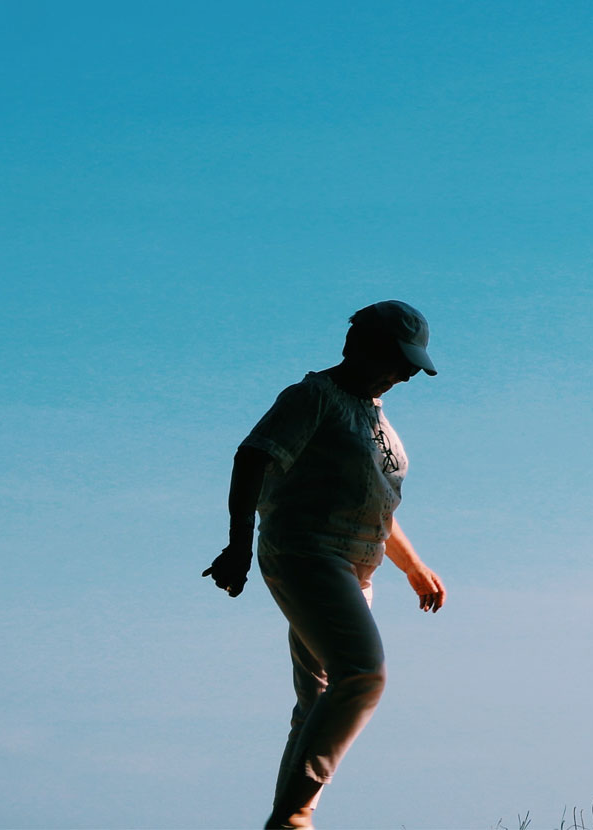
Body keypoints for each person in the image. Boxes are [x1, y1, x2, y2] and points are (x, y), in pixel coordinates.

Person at [203, 300, 448, 830]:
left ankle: (292, 817)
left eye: (412, 365)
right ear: (359, 348)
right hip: (306, 553)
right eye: (400, 360)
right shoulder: (312, 397)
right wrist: (238, 545)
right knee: (363, 672)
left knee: (316, 699)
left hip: (357, 568)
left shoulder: (376, 413)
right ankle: (293, 813)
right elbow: (253, 457)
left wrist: (412, 566)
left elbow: (375, 500)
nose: (407, 374)